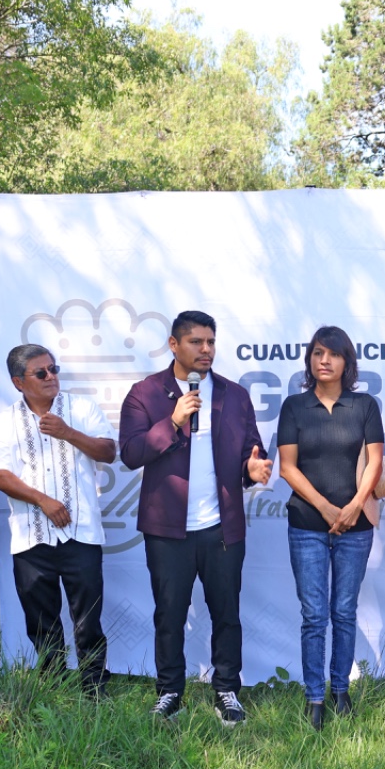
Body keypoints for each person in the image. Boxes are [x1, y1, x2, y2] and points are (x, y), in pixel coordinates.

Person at [119, 310, 271, 725]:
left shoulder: (234, 396)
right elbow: (131, 454)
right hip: (168, 531)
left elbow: (249, 453)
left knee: (227, 612)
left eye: (211, 342)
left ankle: (226, 690)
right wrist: (172, 421)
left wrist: (252, 470)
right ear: (174, 345)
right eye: (196, 342)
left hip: (222, 528)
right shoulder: (145, 394)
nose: (206, 350)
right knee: (169, 613)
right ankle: (170, 691)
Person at [0, 344, 118, 699]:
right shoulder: (4, 421)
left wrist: (67, 433)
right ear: (18, 382)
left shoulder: (81, 408)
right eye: (40, 373)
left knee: (87, 617)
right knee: (41, 622)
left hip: (81, 533)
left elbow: (109, 451)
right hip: (31, 538)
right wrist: (43, 500)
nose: (51, 377)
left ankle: (94, 688)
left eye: (53, 369)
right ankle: (54, 687)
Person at [277, 326, 385, 730]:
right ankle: (314, 697)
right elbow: (288, 467)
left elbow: (375, 462)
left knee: (343, 611)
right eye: (318, 353)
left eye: (334, 354)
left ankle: (341, 691)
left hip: (356, 527)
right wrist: (325, 508)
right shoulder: (294, 407)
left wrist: (354, 505)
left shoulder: (364, 406)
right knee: (313, 614)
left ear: (346, 362)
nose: (324, 360)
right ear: (309, 359)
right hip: (307, 525)